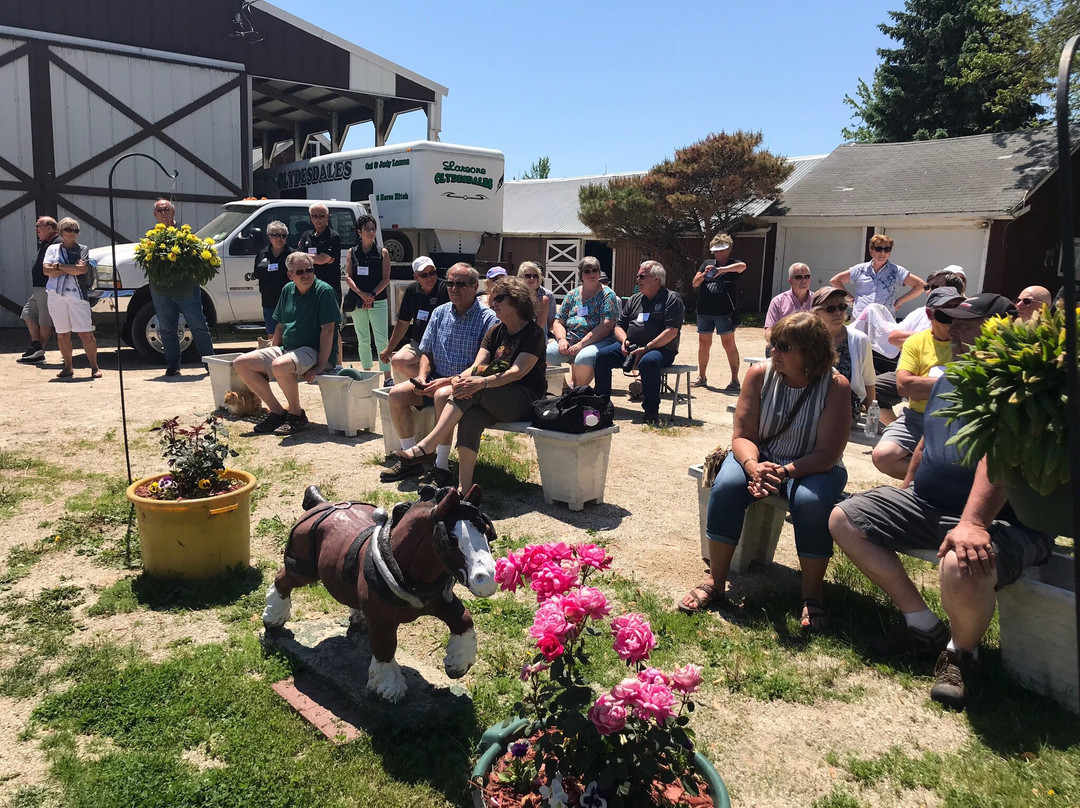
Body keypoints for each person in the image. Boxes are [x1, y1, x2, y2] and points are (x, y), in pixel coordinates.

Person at [829, 293, 1044, 710]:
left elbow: (1000, 456)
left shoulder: (1018, 385)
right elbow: (928, 439)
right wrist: (907, 489)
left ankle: (961, 655)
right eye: (951, 322)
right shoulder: (950, 376)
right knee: (845, 517)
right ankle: (922, 625)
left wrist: (973, 523)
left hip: (1004, 521)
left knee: (962, 562)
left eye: (967, 323)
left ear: (1000, 328)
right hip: (930, 504)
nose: (953, 330)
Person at [680, 312, 851, 629]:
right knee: (727, 485)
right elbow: (743, 435)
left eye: (784, 346)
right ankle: (717, 582)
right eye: (773, 344)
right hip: (758, 458)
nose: (775, 351)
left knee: (811, 503)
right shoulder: (759, 375)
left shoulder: (835, 386)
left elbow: (828, 453)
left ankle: (812, 596)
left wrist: (783, 473)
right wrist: (754, 467)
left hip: (813, 466)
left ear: (810, 354)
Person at [388, 277, 546, 491]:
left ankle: (427, 447)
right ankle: (464, 489)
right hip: (496, 394)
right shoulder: (496, 331)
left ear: (517, 300)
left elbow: (517, 372)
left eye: (499, 298)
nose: (492, 303)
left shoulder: (533, 333)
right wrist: (457, 380)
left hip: (524, 399)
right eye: (492, 298)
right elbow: (477, 365)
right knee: (470, 417)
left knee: (470, 392)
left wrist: (480, 383)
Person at [380, 263, 497, 483]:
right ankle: (411, 461)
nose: (453, 288)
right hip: (435, 380)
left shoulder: (488, 319)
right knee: (396, 394)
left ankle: (441, 467)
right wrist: (422, 377)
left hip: (465, 384)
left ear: (475, 287)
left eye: (460, 284)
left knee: (442, 395)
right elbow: (427, 352)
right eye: (450, 283)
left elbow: (482, 365)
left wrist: (446, 382)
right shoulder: (440, 312)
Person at [234, 253, 340, 436]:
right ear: (290, 275)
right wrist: (273, 349)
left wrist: (322, 365)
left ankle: (296, 414)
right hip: (289, 349)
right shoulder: (287, 290)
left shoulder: (324, 291)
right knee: (241, 363)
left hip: (314, 350)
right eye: (300, 272)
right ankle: (277, 412)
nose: (306, 275)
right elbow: (280, 325)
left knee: (279, 366)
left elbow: (329, 330)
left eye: (310, 270)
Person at [871, 286, 965, 479]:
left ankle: (938, 478)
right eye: (945, 313)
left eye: (957, 310)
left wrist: (923, 385)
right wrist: (955, 382)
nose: (953, 317)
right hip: (917, 417)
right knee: (883, 456)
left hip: (956, 420)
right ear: (930, 314)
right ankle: (937, 477)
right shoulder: (915, 342)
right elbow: (904, 386)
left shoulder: (969, 340)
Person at [593, 260, 684, 424]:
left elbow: (671, 332)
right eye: (637, 276)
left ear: (656, 279)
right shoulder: (635, 299)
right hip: (631, 347)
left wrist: (647, 348)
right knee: (602, 356)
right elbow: (619, 326)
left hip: (661, 349)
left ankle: (651, 410)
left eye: (642, 276)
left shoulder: (671, 299)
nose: (638, 280)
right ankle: (602, 404)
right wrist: (623, 340)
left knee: (649, 362)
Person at [146, 199, 215, 377]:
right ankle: (173, 365)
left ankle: (211, 364)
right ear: (155, 215)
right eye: (159, 210)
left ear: (173, 212)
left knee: (198, 325)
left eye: (166, 209)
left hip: (186, 289)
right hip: (162, 290)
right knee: (167, 328)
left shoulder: (186, 233)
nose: (163, 213)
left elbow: (197, 258)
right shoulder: (151, 237)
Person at [547, 257, 621, 387]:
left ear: (599, 272)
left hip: (598, 341)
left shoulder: (608, 295)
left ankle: (579, 392)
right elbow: (558, 321)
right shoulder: (571, 294)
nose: (591, 274)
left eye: (595, 270)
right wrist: (562, 339)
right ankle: (563, 390)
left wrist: (581, 344)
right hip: (570, 339)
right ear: (581, 274)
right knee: (545, 355)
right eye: (587, 271)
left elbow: (606, 325)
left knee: (583, 358)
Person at [42, 218, 100, 379]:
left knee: (86, 333)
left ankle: (94, 366)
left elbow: (81, 270)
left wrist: (58, 267)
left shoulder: (82, 249)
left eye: (75, 230)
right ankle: (68, 366)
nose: (72, 233)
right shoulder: (52, 249)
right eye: (69, 229)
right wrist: (70, 268)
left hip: (77, 294)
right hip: (56, 294)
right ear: (60, 232)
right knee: (62, 333)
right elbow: (46, 271)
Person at [811, 287, 875, 426]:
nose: (838, 312)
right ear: (816, 314)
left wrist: (872, 420)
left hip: (845, 410)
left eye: (842, 306)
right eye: (830, 309)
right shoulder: (808, 338)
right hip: (810, 405)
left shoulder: (860, 340)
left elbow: (869, 382)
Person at [380, 256, 449, 382]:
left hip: (442, 345)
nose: (429, 277)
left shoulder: (446, 289)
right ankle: (427, 382)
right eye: (424, 275)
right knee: (397, 361)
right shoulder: (412, 290)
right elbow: (402, 322)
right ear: (415, 277)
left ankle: (431, 382)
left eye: (432, 273)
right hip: (419, 343)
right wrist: (389, 349)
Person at [692, 234, 746, 391]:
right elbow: (694, 283)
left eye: (721, 251)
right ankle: (702, 377)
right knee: (703, 344)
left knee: (728, 344)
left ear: (728, 250)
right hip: (704, 311)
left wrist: (721, 270)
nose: (718, 254)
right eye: (715, 251)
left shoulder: (733, 264)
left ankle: (735, 380)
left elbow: (742, 266)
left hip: (725, 312)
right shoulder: (707, 264)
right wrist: (704, 274)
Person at [829, 234, 925, 321]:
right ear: (871, 251)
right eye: (878, 249)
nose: (882, 252)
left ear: (889, 253)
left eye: (886, 249)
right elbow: (835, 280)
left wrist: (900, 301)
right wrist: (850, 300)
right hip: (860, 319)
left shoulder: (897, 271)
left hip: (885, 320)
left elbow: (921, 285)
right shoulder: (859, 270)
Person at [346, 214, 392, 385]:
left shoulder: (383, 252)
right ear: (359, 232)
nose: (371, 232)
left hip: (378, 300)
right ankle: (366, 375)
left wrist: (371, 295)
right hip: (358, 301)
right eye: (367, 229)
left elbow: (386, 278)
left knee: (381, 339)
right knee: (362, 338)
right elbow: (348, 276)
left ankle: (387, 376)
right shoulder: (353, 252)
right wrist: (361, 294)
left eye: (373, 229)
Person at [18, 216, 61, 364]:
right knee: (27, 314)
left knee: (44, 320)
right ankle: (36, 346)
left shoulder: (57, 243)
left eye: (39, 226)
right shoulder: (45, 243)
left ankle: (38, 351)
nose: (36, 229)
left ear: (49, 228)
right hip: (38, 289)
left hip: (47, 287)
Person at [252, 221, 293, 344]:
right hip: (269, 301)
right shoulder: (262, 253)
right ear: (269, 236)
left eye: (283, 235)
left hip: (287, 301)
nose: (279, 238)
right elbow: (257, 273)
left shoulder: (292, 254)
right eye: (276, 235)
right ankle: (273, 359)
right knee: (272, 334)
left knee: (288, 333)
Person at [764, 262, 813, 345]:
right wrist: (778, 347)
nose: (804, 280)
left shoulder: (818, 301)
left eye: (807, 277)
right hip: (784, 346)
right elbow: (769, 330)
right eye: (798, 277)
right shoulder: (778, 301)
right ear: (790, 280)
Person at [518, 261, 554, 337]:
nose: (532, 278)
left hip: (535, 338)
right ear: (521, 278)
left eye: (535, 276)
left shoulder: (545, 298)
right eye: (528, 276)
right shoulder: (515, 296)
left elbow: (540, 328)